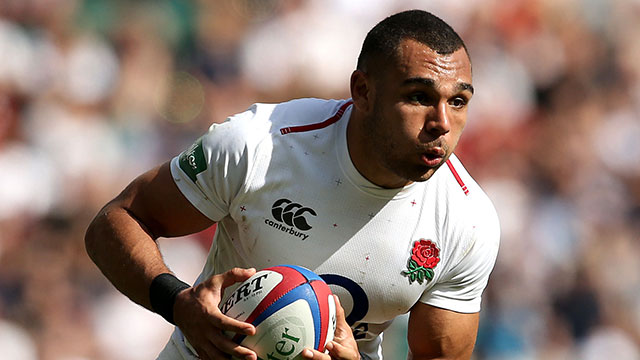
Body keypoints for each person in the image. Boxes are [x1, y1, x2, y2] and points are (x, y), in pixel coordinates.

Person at [85, 9, 500, 360]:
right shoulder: (260, 144)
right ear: (363, 91)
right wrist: (179, 303)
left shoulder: (467, 221)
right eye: (419, 97)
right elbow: (116, 221)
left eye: (458, 101)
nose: (442, 123)